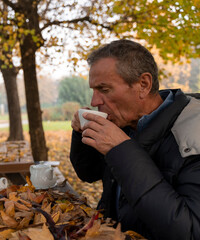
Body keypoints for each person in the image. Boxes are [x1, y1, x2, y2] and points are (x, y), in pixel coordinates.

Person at [70, 39, 200, 240]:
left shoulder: (193, 135)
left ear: (143, 85)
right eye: (93, 91)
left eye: (104, 90)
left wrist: (122, 150)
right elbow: (89, 173)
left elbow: (190, 231)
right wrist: (82, 134)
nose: (94, 101)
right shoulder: (126, 122)